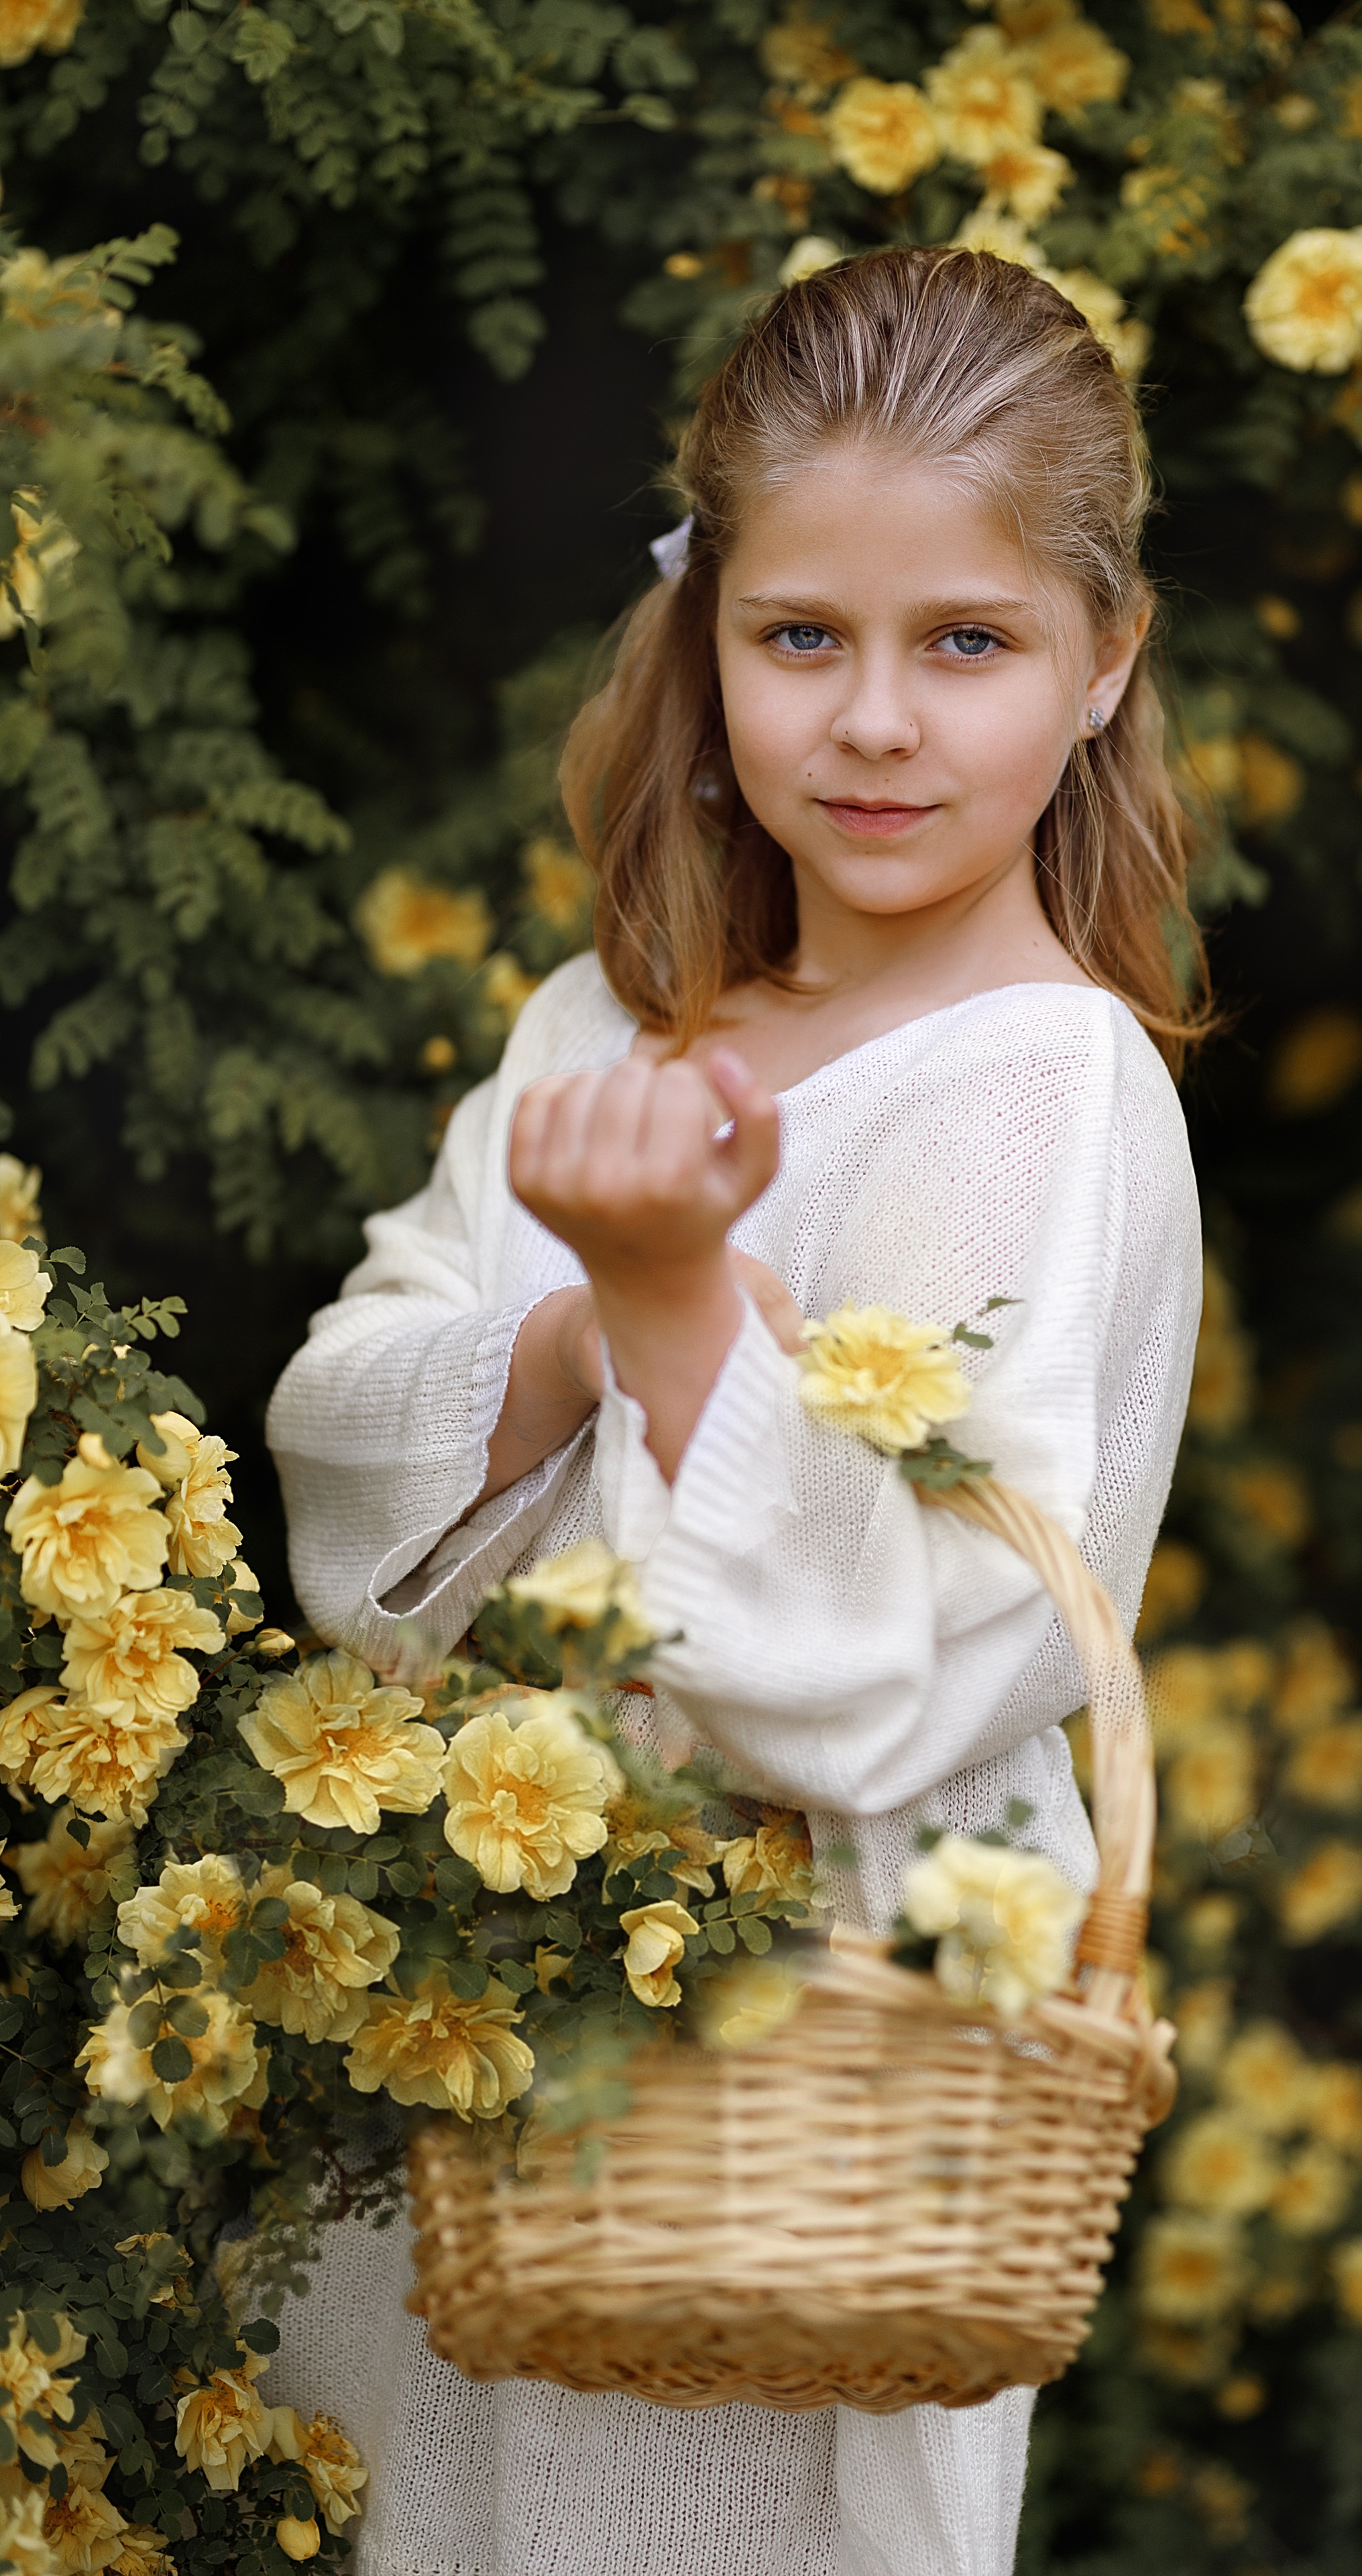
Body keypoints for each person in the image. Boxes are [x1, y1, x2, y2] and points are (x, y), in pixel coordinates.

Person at [264, 244, 1206, 2576]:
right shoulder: (601, 1026)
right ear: (706, 642)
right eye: (800, 638)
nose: (874, 722)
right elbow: (340, 1443)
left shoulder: (1048, 1083)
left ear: (1103, 660)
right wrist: (572, 1342)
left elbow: (900, 1667)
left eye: (965, 643)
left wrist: (681, 1298)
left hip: (790, 2121)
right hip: (467, 2075)